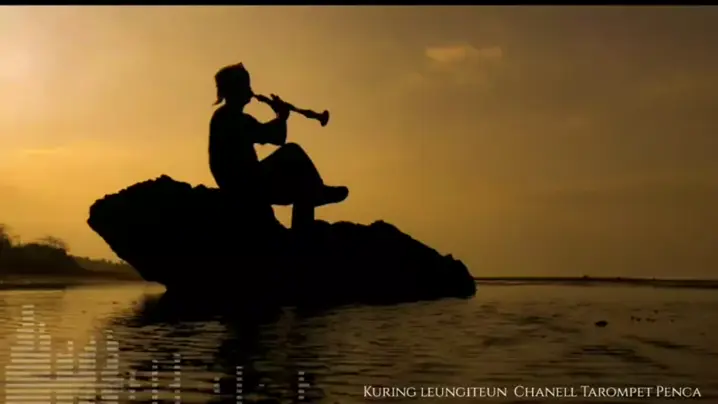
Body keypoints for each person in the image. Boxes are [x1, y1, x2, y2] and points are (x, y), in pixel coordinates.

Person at [208, 63, 349, 231]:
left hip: (244, 181)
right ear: (235, 89)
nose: (250, 90)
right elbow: (275, 137)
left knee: (302, 184)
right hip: (243, 183)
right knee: (292, 151)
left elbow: (275, 136)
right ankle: (318, 194)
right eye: (246, 85)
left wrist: (280, 117)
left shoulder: (230, 117)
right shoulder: (230, 118)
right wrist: (281, 117)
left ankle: (303, 228)